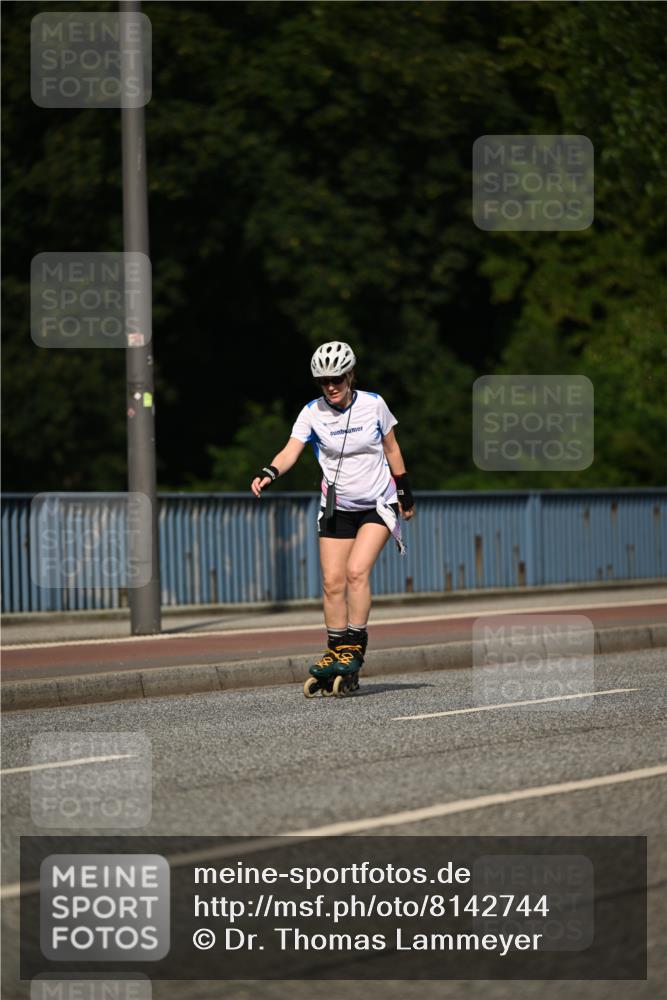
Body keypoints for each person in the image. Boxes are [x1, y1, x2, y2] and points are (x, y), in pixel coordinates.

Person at [250, 341, 415, 697]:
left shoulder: (374, 405)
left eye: (337, 378)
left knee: (357, 571)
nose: (331, 386)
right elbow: (291, 449)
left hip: (377, 502)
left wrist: (404, 492)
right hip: (336, 505)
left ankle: (355, 644)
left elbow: (392, 449)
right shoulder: (312, 413)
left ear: (350, 375)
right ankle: (335, 649)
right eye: (324, 381)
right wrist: (270, 471)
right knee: (331, 581)